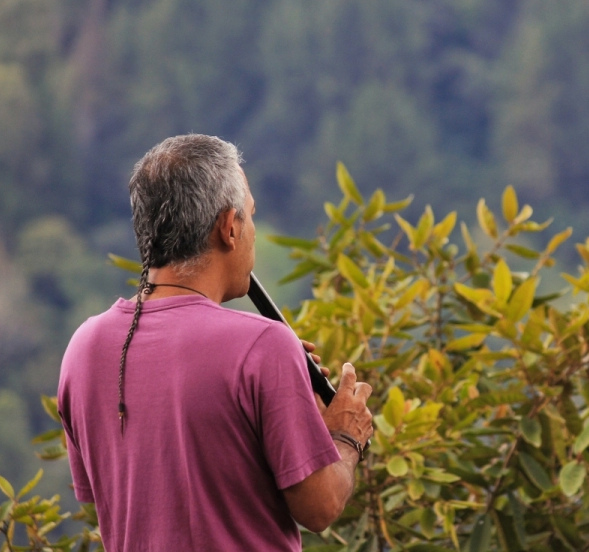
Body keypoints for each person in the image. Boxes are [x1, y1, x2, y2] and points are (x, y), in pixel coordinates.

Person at [57, 134, 374, 551]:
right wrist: (345, 436)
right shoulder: (263, 346)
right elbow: (320, 507)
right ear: (229, 228)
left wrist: (293, 411)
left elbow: (122, 491)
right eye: (252, 216)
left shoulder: (84, 348)